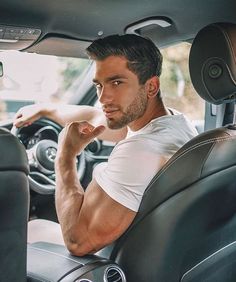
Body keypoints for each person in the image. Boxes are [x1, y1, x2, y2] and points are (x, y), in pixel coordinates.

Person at [14, 34, 198, 256]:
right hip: (156, 250)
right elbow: (96, 117)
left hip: (112, 263)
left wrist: (65, 156)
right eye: (99, 85)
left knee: (29, 230)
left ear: (151, 87)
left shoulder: (140, 150)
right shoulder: (176, 123)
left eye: (116, 83)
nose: (102, 98)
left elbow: (77, 242)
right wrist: (46, 109)